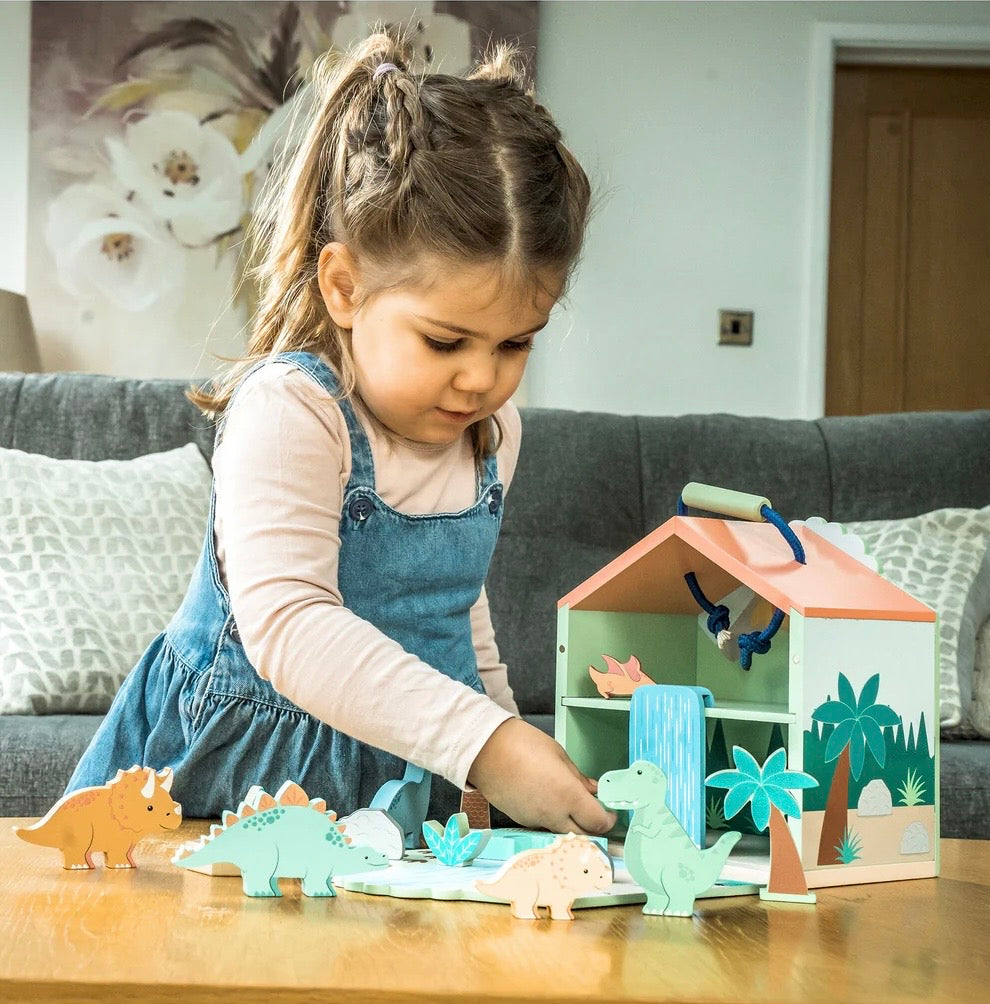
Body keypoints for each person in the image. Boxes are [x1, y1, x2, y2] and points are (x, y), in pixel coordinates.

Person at [66, 28, 616, 837]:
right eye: (446, 341)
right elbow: (291, 625)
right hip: (242, 783)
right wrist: (487, 745)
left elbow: (459, 614)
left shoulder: (492, 429)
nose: (481, 378)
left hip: (409, 782)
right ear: (345, 287)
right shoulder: (292, 410)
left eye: (514, 344)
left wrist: (507, 759)